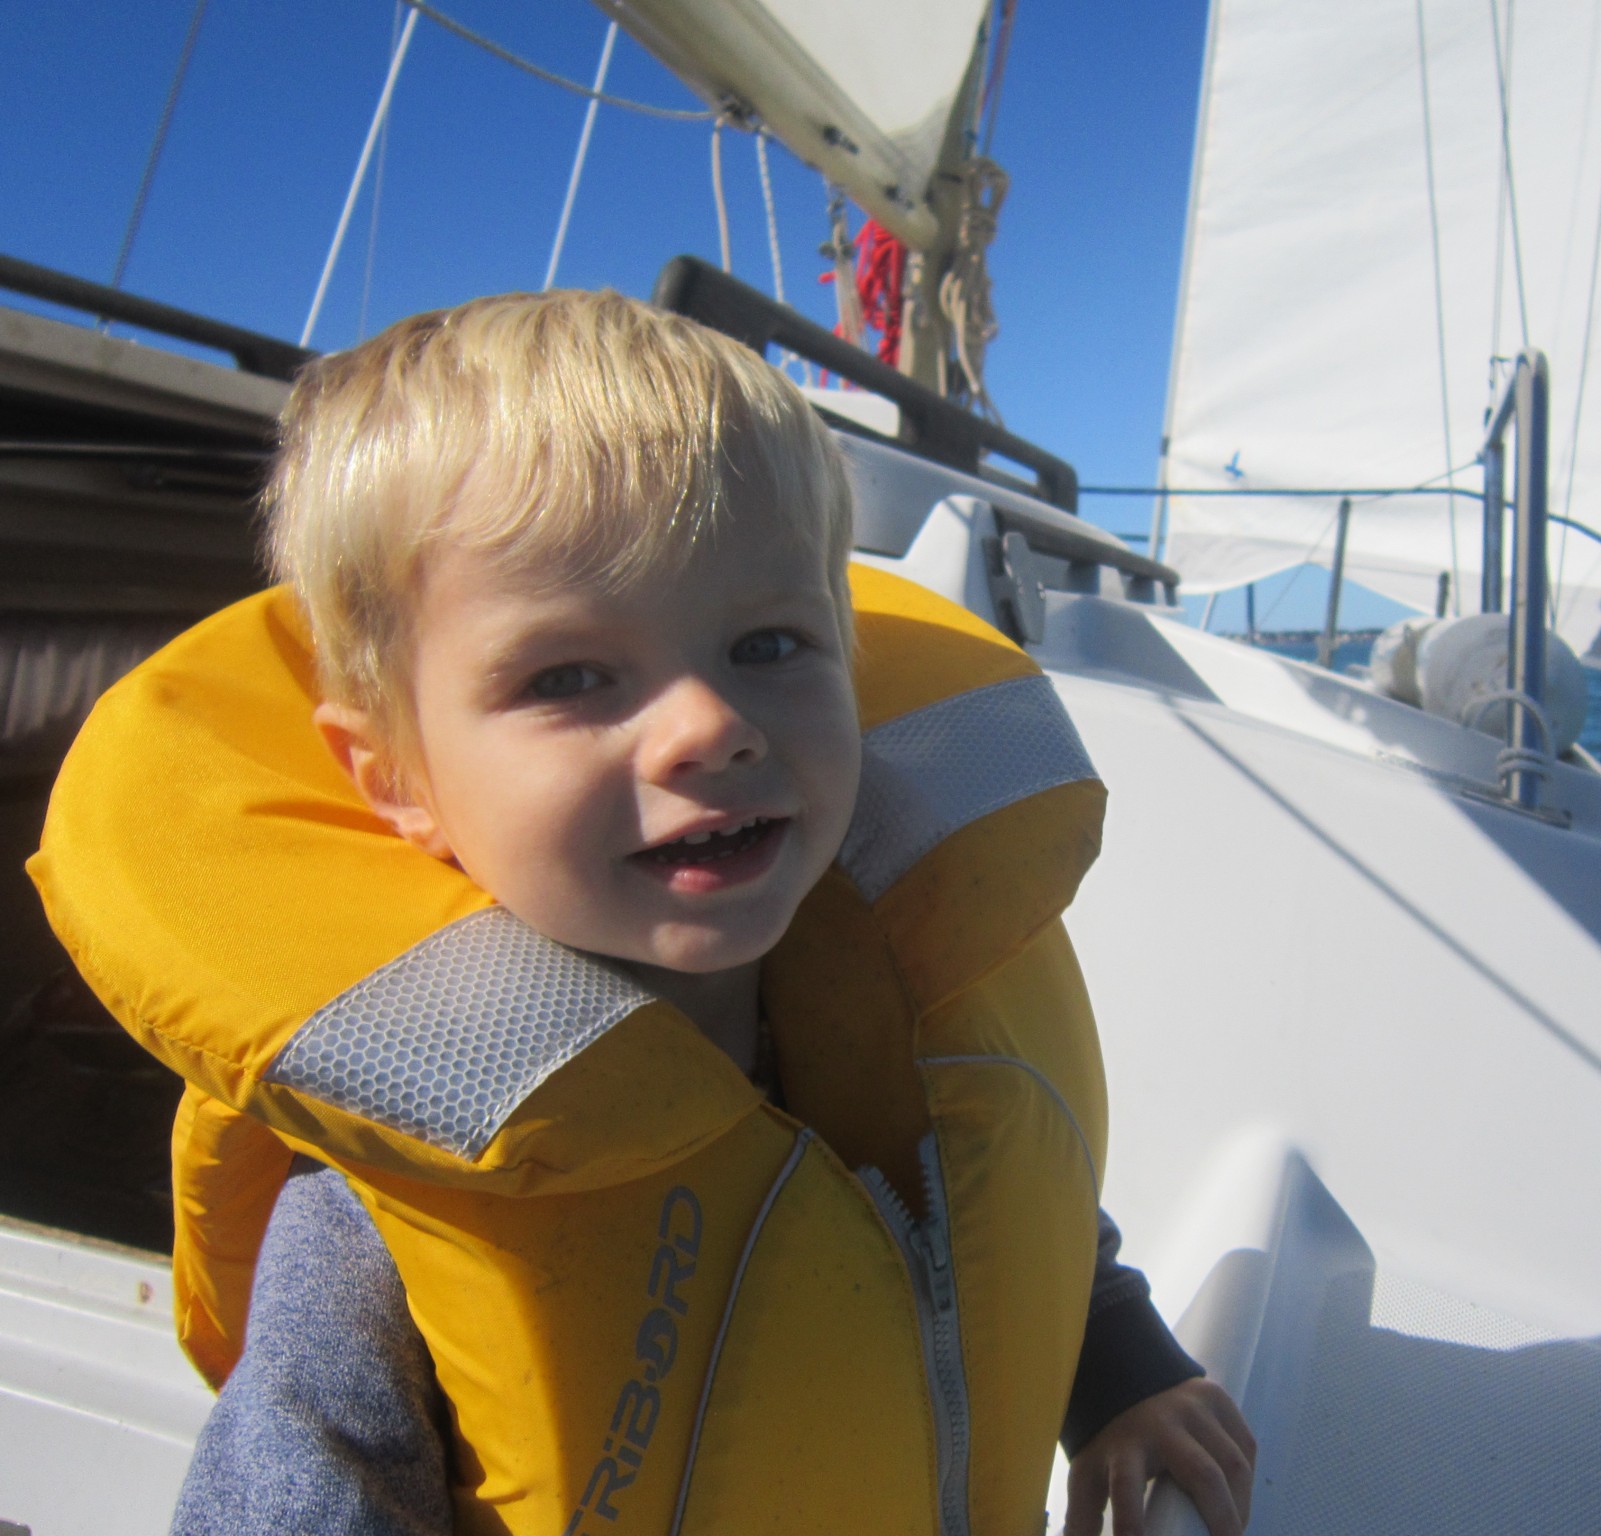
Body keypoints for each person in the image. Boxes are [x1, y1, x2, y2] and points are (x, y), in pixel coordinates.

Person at [32, 290, 1252, 1536]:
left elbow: (987, 1201)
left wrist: (1120, 1368)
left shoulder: (889, 978)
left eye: (767, 645)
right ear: (396, 778)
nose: (708, 727)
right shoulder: (376, 1222)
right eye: (569, 676)